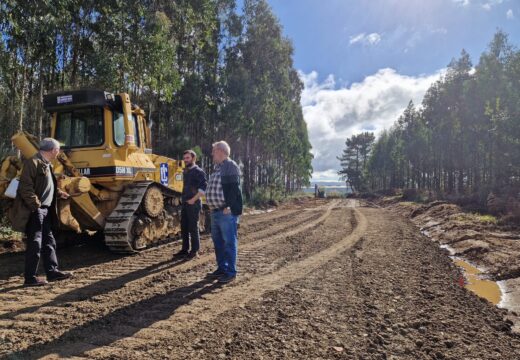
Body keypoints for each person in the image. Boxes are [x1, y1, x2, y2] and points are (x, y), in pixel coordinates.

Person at [9, 138, 72, 287]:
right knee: (35, 243)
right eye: (58, 149)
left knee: (48, 241)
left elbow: (44, 185)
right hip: (36, 210)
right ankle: (30, 278)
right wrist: (36, 206)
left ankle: (52, 272)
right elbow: (26, 188)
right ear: (53, 150)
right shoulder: (33, 163)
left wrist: (58, 193)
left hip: (45, 209)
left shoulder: (46, 163)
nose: (59, 152)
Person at [205, 141, 243, 284]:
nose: (212, 153)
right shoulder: (217, 168)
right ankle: (222, 269)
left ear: (221, 151)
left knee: (229, 242)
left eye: (214, 151)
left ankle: (230, 272)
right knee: (218, 242)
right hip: (215, 212)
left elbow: (234, 189)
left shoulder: (230, 166)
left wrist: (229, 206)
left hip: (226, 212)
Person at [174, 150, 207, 260]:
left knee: (193, 228)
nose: (185, 160)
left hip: (194, 203)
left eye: (187, 158)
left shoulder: (199, 172)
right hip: (185, 203)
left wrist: (193, 200)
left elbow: (203, 189)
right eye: (184, 158)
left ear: (193, 158)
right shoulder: (186, 172)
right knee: (184, 227)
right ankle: (185, 250)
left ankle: (194, 251)